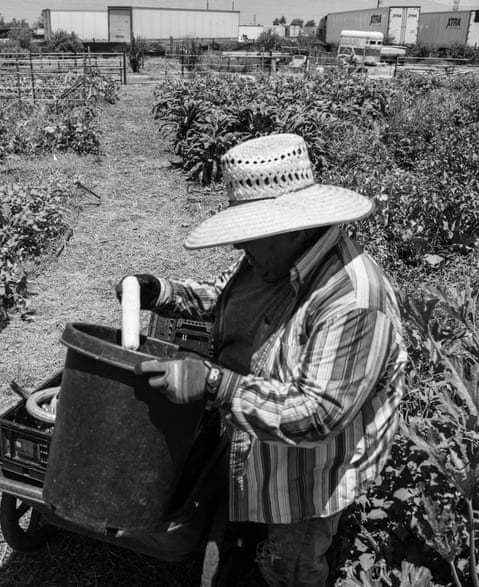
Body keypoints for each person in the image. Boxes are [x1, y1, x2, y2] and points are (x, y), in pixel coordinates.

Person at [117, 133, 407, 587]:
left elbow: (317, 415)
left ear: (293, 226)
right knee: (256, 519)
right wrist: (163, 293)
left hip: (310, 471)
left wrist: (215, 383)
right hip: (259, 434)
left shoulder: (353, 300)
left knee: (291, 562)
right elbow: (224, 294)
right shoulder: (271, 256)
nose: (239, 248)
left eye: (249, 233)